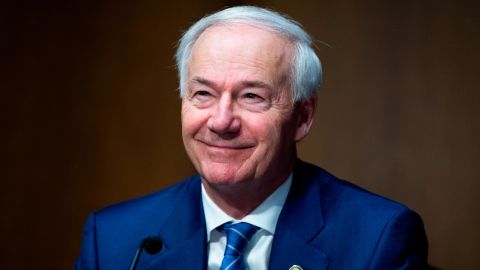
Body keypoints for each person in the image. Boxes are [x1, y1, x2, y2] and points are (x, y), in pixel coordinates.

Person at [75, 6, 428, 270]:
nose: (221, 121)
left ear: (302, 117)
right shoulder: (112, 239)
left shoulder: (377, 238)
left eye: (251, 97)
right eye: (203, 94)